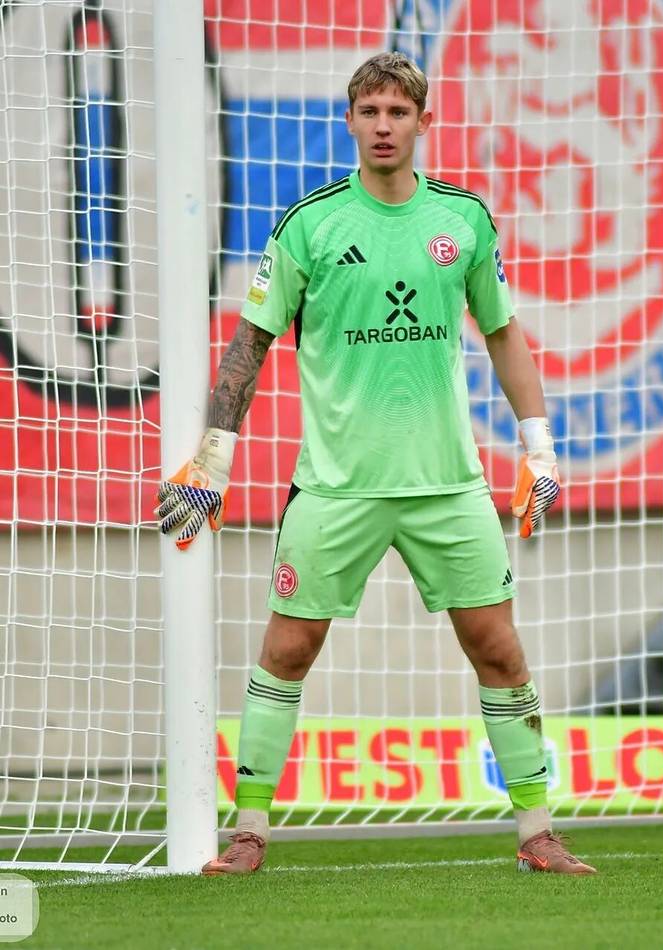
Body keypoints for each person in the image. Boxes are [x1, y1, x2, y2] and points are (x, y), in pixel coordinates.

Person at [157, 51, 595, 877]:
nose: (384, 126)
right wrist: (214, 460)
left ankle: (538, 831)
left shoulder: (463, 222)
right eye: (370, 112)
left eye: (399, 112)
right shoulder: (310, 226)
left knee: (499, 649)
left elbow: (503, 334)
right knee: (287, 651)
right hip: (335, 487)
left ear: (425, 123)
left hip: (448, 485)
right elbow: (250, 343)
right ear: (350, 121)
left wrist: (539, 449)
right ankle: (249, 833)